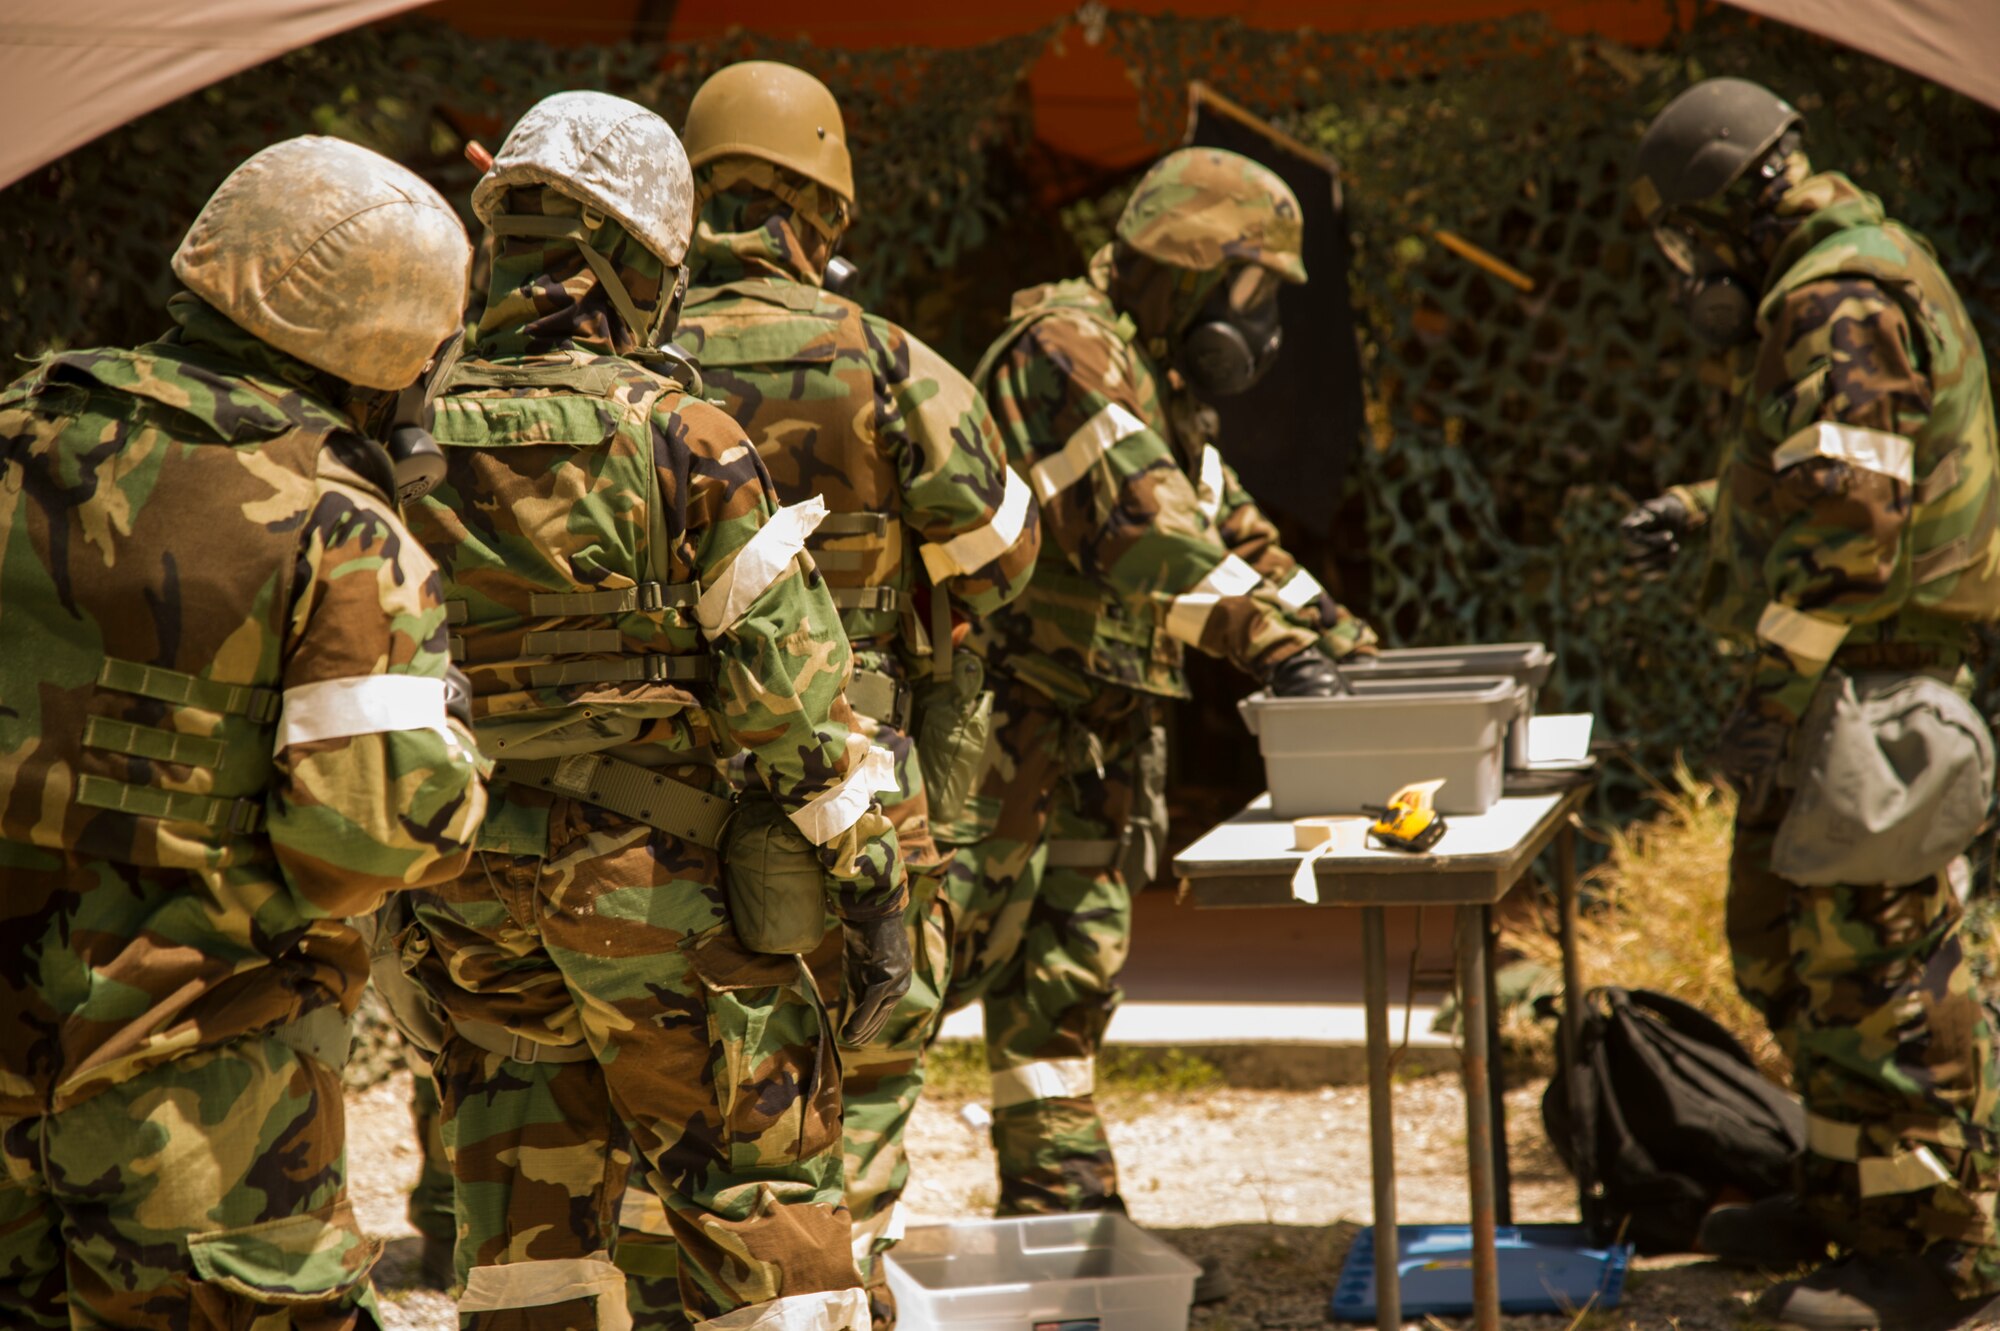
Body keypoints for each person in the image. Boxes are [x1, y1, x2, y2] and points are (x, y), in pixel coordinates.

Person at [401, 90, 910, 1331]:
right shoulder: (681, 433)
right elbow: (792, 702)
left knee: (526, 1242)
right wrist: (875, 876)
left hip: (466, 896)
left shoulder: (403, 432)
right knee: (762, 1207)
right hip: (655, 892)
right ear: (636, 260)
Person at [0, 135, 489, 1329]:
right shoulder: (339, 527)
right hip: (193, 1113)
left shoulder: (16, 424)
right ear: (395, 344)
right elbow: (362, 844)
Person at [590, 61, 1041, 1330]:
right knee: (862, 1086)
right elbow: (1004, 561)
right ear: (824, 207)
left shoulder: (624, 361)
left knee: (667, 1110)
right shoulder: (885, 360)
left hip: (645, 807)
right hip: (852, 795)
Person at [1629, 76, 2000, 1329]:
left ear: (1743, 200)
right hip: (1841, 671)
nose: (1690, 270)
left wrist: (1776, 693)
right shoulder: (1832, 282)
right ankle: (1847, 1196)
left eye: (1692, 236)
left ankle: (1934, 1253)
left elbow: (1850, 526)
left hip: (1866, 686)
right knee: (1789, 952)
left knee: (1879, 970)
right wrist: (1696, 509)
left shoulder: (1837, 297)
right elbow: (1820, 470)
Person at [944, 146, 1377, 1216]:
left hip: (1095, 722)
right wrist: (1274, 649)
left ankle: (1059, 1204)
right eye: (1250, 288)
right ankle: (837, 1241)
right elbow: (1145, 532)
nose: (1260, 322)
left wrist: (1351, 646)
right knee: (921, 969)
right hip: (1003, 723)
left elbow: (1232, 528)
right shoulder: (1064, 348)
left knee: (1064, 982)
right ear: (1189, 261)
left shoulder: (1152, 374)